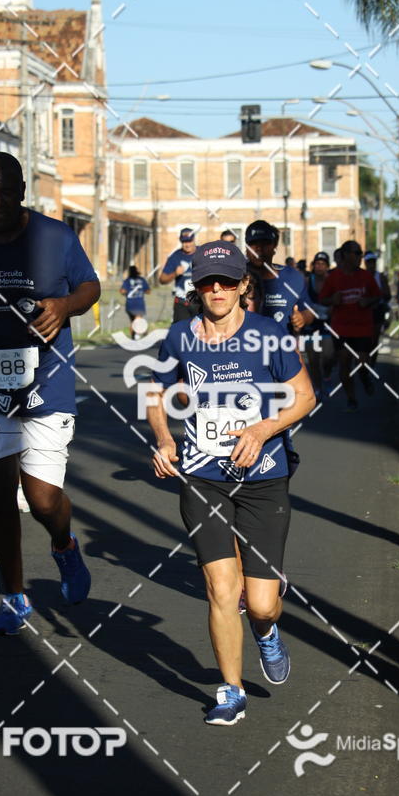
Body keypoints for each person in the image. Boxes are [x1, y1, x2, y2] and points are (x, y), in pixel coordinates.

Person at [146, 240, 315, 725]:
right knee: (222, 589)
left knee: (260, 602)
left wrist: (263, 430)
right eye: (206, 282)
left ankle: (266, 632)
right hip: (203, 478)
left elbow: (304, 396)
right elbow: (155, 393)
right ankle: (231, 690)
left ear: (243, 285)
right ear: (195, 288)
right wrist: (163, 439)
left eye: (225, 281)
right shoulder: (179, 337)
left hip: (264, 480)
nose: (216, 290)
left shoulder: (268, 334)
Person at [0, 152, 100, 634]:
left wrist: (64, 306)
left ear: (22, 190)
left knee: (41, 500)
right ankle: (14, 596)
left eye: (4, 190)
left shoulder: (55, 235)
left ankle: (64, 544)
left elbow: (90, 286)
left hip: (47, 381)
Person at [319, 240, 381, 411]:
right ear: (346, 255)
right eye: (357, 253)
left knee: (361, 362)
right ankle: (351, 398)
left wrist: (368, 300)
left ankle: (364, 375)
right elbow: (323, 299)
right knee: (345, 362)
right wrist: (333, 300)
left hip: (362, 327)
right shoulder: (334, 277)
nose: (360, 257)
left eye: (360, 254)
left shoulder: (366, 276)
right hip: (341, 328)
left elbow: (378, 296)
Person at [245, 220, 314, 334]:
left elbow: (309, 311)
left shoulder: (293, 277)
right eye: (253, 243)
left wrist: (302, 318)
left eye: (265, 243)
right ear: (246, 248)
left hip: (281, 348)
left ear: (274, 246)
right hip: (242, 347)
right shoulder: (233, 277)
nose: (259, 248)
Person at [304, 252, 335, 395]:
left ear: (327, 266)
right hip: (311, 325)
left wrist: (331, 308)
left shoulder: (333, 281)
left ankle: (327, 377)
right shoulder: (307, 281)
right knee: (313, 359)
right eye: (317, 264)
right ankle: (317, 387)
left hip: (327, 324)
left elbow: (338, 299)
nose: (319, 266)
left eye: (323, 264)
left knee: (328, 357)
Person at [159, 228, 197, 322]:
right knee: (180, 333)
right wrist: (175, 273)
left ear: (194, 239)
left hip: (200, 301)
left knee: (201, 333)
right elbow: (162, 279)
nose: (187, 244)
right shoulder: (175, 256)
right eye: (184, 242)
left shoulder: (203, 253)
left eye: (189, 241)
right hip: (182, 302)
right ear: (181, 241)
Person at [364, 251, 391, 366]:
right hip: (363, 311)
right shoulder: (361, 276)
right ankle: (363, 362)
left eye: (373, 262)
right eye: (369, 262)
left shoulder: (380, 277)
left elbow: (387, 295)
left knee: (374, 340)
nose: (371, 265)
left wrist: (377, 296)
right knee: (363, 339)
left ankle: (371, 363)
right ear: (365, 263)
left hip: (377, 311)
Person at [120, 264, 150, 337]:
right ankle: (140, 334)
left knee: (134, 321)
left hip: (130, 305)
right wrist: (141, 290)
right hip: (139, 304)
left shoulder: (127, 280)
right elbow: (148, 291)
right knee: (137, 320)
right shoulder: (142, 280)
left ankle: (135, 336)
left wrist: (127, 292)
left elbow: (122, 291)